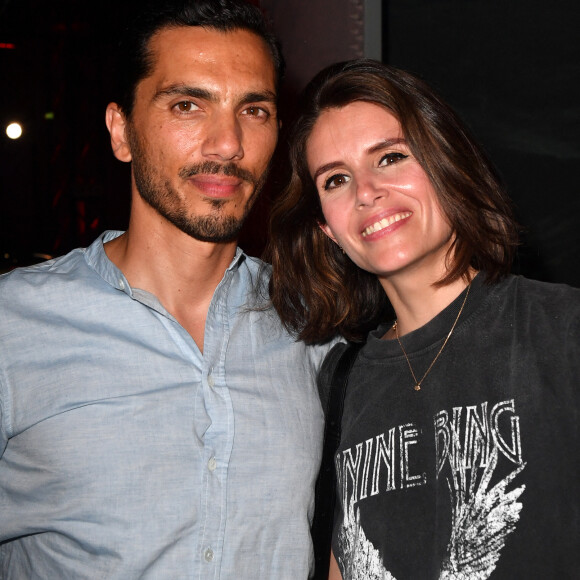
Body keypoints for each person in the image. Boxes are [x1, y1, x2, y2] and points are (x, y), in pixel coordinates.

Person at [0, 1, 336, 577]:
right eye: (188, 105)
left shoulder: (314, 322)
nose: (227, 143)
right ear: (121, 130)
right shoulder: (15, 326)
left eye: (253, 110)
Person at [268, 59, 580, 579]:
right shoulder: (338, 383)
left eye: (390, 158)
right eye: (336, 179)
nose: (366, 192)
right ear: (327, 229)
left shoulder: (562, 330)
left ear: (445, 163)